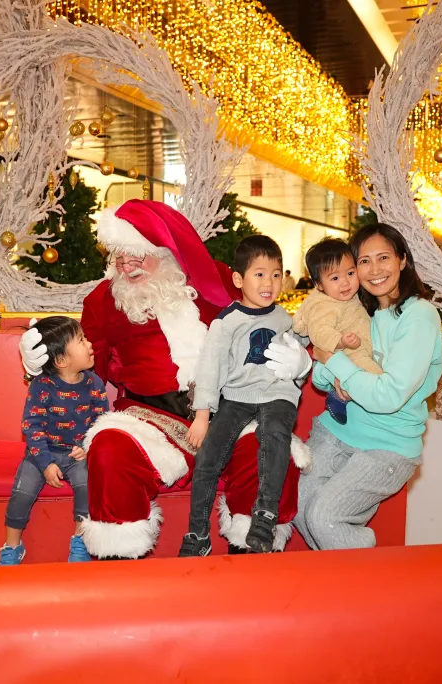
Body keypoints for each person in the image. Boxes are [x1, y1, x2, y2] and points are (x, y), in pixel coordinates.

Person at [19, 200, 311, 559]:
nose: (126, 268)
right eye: (119, 258)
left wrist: (298, 359)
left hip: (231, 407)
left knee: (268, 448)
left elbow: (270, 314)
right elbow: (80, 361)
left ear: (162, 251)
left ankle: (251, 565)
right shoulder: (103, 302)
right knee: (110, 449)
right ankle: (121, 565)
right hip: (150, 417)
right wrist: (42, 363)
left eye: (136, 257)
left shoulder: (215, 279)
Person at [294, 223, 442, 550]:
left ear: (402, 260)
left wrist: (336, 365)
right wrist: (336, 372)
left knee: (325, 516)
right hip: (338, 431)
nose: (374, 270)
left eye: (383, 258)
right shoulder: (368, 315)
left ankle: (370, 582)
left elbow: (388, 395)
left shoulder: (419, 316)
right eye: (364, 261)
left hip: (386, 444)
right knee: (296, 503)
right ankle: (340, 586)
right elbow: (323, 374)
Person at [181, 236, 303, 556]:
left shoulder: (285, 319)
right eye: (259, 274)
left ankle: (264, 515)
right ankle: (197, 534)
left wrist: (302, 366)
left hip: (277, 394)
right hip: (236, 396)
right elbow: (211, 369)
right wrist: (203, 416)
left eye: (276, 274)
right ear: (239, 279)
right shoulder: (226, 322)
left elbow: (299, 361)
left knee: (274, 435)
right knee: (208, 457)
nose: (269, 283)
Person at [0, 316, 109, 565]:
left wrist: (86, 446)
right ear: (61, 360)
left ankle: (80, 542)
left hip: (76, 454)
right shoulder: (42, 386)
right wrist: (46, 463)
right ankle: (12, 547)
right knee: (21, 491)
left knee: (87, 484)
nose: (89, 344)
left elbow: (101, 421)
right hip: (42, 452)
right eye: (81, 340)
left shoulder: (94, 383)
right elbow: (32, 427)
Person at [293, 238, 382, 425]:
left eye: (350, 273)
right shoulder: (324, 306)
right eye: (335, 278)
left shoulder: (348, 297)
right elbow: (319, 332)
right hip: (348, 353)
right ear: (319, 284)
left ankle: (343, 398)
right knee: (376, 377)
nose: (345, 283)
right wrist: (341, 341)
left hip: (357, 349)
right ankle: (338, 399)